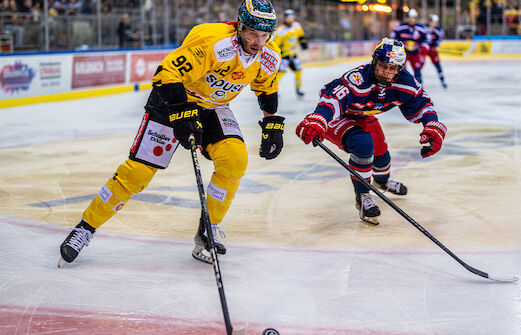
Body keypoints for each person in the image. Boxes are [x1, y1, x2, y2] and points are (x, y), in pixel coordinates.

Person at [58, 0, 284, 266]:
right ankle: (85, 228)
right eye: (252, 34)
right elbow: (166, 74)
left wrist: (271, 123)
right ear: (241, 27)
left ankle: (207, 228)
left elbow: (266, 86)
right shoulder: (214, 43)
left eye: (264, 35)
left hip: (213, 105)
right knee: (138, 173)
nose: (258, 41)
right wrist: (182, 111)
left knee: (235, 159)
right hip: (171, 101)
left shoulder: (269, 54)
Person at [295, 38, 446, 225]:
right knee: (363, 144)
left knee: (381, 150)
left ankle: (381, 182)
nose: (387, 72)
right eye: (383, 66)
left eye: (393, 68)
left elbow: (423, 103)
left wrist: (431, 124)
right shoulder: (358, 79)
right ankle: (362, 195)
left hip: (364, 115)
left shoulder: (405, 81)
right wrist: (319, 118)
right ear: (374, 61)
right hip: (337, 116)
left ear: (399, 69)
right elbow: (332, 99)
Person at [274, 9, 308, 97]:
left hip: (294, 54)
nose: (290, 20)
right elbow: (275, 44)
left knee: (298, 71)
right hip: (284, 55)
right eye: (288, 18)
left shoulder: (297, 26)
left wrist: (303, 42)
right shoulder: (280, 31)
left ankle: (299, 89)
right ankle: (275, 90)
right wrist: (279, 52)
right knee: (281, 73)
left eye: (291, 18)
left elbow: (301, 35)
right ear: (285, 19)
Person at [391, 9, 429, 84]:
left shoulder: (421, 29)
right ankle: (401, 86)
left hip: (416, 53)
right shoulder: (400, 28)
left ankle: (419, 88)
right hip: (403, 54)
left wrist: (423, 47)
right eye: (410, 17)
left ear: (416, 18)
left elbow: (426, 40)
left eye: (413, 17)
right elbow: (393, 39)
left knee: (417, 70)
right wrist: (396, 49)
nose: (411, 19)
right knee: (401, 71)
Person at [425, 14, 447, 88]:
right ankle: (419, 82)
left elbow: (440, 40)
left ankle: (442, 80)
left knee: (437, 64)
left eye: (434, 22)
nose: (432, 24)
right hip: (424, 49)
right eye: (431, 22)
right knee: (419, 66)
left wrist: (436, 45)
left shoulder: (438, 31)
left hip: (432, 50)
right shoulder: (424, 28)